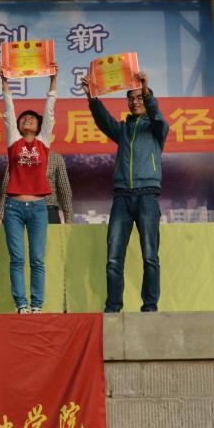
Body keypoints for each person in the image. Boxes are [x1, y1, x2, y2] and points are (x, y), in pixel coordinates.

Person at [81, 71, 169, 312]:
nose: (135, 102)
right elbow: (103, 121)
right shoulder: (122, 130)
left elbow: (157, 115)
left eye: (139, 97)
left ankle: (150, 306)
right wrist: (91, 97)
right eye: (131, 98)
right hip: (121, 197)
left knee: (150, 256)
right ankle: (113, 307)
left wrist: (146, 90)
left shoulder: (157, 128)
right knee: (113, 258)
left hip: (147, 195)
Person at [0, 63, 58, 314]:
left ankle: (37, 305)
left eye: (32, 118)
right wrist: (4, 82)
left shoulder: (44, 142)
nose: (28, 119)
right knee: (17, 259)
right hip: (13, 206)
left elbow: (50, 111)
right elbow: (8, 110)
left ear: (39, 125)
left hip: (38, 207)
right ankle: (21, 305)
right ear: (20, 125)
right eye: (24, 118)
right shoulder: (14, 140)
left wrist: (53, 81)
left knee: (37, 260)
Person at [0, 150, 73, 225]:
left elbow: (64, 190)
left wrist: (69, 219)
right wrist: (0, 217)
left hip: (48, 210)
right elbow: (6, 188)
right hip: (18, 210)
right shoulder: (16, 157)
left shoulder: (55, 158)